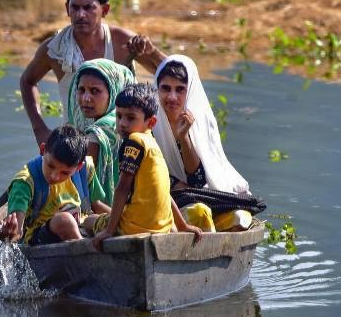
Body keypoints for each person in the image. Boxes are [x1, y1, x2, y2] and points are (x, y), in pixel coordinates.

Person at [20, 0, 166, 145]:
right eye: (75, 7)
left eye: (88, 8)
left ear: (104, 10)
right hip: (76, 146)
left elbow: (171, 73)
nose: (81, 14)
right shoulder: (56, 49)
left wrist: (152, 51)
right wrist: (40, 129)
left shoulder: (121, 42)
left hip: (123, 143)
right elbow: (27, 81)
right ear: (67, 8)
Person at [85, 83, 202, 250]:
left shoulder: (134, 141)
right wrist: (183, 227)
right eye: (119, 116)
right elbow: (165, 193)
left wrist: (109, 231)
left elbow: (122, 188)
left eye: (130, 118)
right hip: (162, 229)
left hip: (132, 227)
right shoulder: (153, 144)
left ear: (151, 122)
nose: (122, 123)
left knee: (89, 220)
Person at [152, 54, 255, 232]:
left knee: (240, 217)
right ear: (157, 89)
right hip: (161, 195)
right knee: (199, 213)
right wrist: (175, 184)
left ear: (189, 90)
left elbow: (197, 180)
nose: (172, 97)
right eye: (166, 89)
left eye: (180, 89)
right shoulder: (148, 120)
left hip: (200, 194)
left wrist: (183, 137)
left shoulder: (200, 122)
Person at [0, 125, 110, 246]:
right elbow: (17, 233)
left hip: (80, 226)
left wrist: (119, 218)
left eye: (65, 173)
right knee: (65, 221)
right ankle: (85, 253)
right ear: (42, 150)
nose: (54, 176)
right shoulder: (25, 182)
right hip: (40, 235)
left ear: (78, 167)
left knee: (104, 220)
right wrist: (7, 232)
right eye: (51, 166)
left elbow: (96, 205)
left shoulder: (85, 169)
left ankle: (83, 244)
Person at [68, 58, 135, 205]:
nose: (86, 98)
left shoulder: (97, 134)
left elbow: (83, 188)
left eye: (95, 91)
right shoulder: (133, 121)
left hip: (104, 212)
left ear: (113, 92)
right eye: (81, 90)